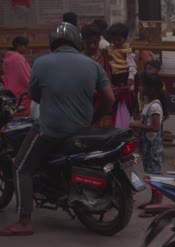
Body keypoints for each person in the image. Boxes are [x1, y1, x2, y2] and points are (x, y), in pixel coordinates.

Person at [0, 22, 115, 236]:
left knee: (19, 167)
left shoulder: (42, 63)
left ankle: (24, 221)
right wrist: (94, 117)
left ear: (53, 42)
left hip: (51, 129)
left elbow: (34, 96)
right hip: (82, 129)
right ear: (77, 42)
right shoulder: (92, 65)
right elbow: (109, 98)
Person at [130, 72, 168, 214]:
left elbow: (155, 127)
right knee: (151, 174)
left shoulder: (155, 107)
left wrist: (138, 125)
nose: (140, 88)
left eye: (143, 85)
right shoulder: (148, 104)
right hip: (147, 145)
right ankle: (153, 201)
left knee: (155, 174)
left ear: (151, 89)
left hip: (153, 147)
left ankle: (157, 204)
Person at [81, 23, 114, 128]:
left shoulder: (106, 56)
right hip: (85, 101)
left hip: (103, 101)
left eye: (95, 42)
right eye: (88, 43)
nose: (92, 46)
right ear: (83, 42)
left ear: (99, 40)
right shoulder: (78, 59)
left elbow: (109, 76)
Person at [107, 22, 137, 121]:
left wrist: (130, 78)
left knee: (124, 98)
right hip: (113, 76)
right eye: (114, 40)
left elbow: (132, 65)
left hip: (123, 75)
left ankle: (127, 118)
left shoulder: (127, 50)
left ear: (125, 39)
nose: (116, 42)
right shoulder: (110, 48)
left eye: (119, 40)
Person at [1, 36, 31, 117]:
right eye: (25, 46)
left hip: (10, 94)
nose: (26, 49)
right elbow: (25, 78)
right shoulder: (18, 58)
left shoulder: (7, 58)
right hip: (21, 94)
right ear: (20, 46)